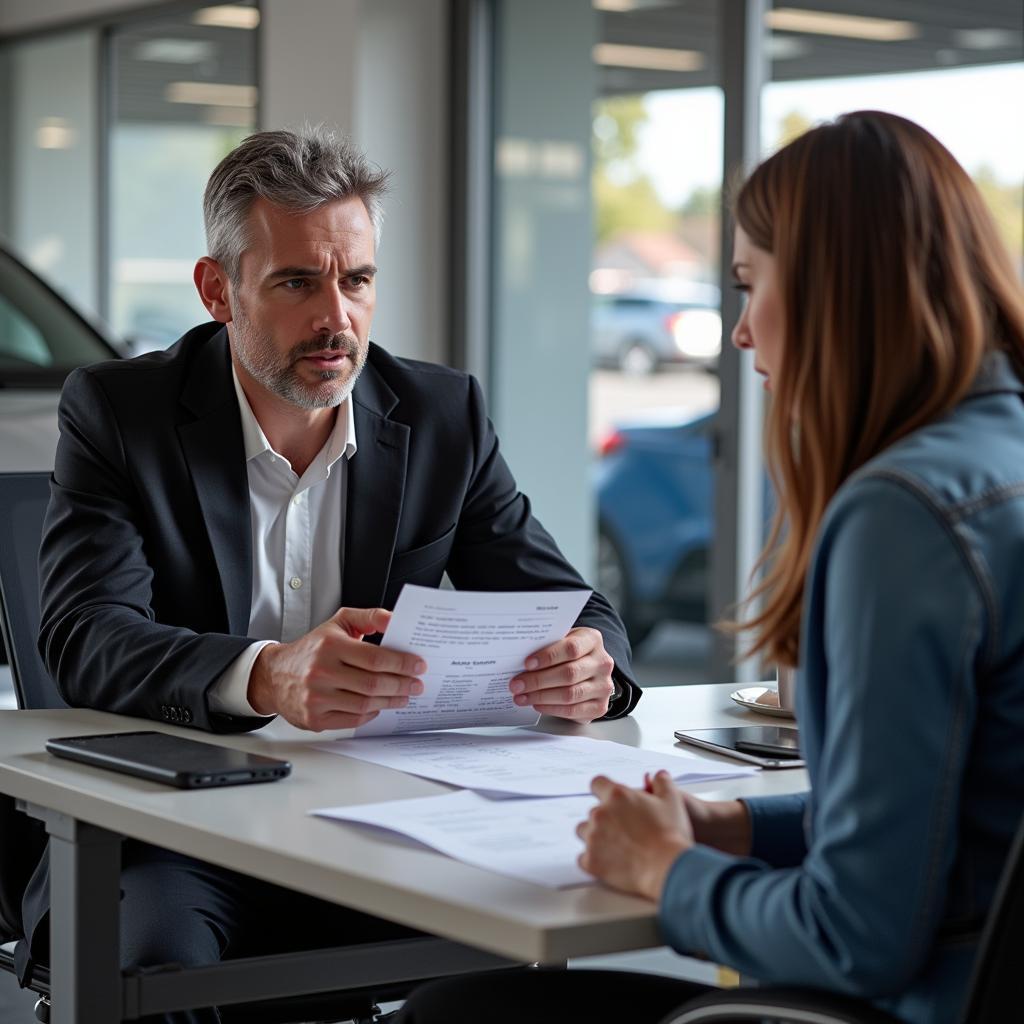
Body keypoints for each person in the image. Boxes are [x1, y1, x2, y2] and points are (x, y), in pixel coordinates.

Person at [395, 110, 1024, 1024]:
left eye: (749, 283)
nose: (739, 331)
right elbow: (949, 826)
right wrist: (736, 827)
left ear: (829, 292)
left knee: (458, 1014)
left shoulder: (903, 517)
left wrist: (670, 873)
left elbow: (857, 935)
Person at [25, 127, 639, 1023]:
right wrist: (270, 673)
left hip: (386, 817)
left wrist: (594, 663)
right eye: (297, 282)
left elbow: (575, 602)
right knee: (159, 971)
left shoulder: (439, 415)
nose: (336, 317)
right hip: (173, 829)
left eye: (356, 280)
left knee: (546, 924)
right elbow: (87, 638)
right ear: (216, 291)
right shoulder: (121, 413)